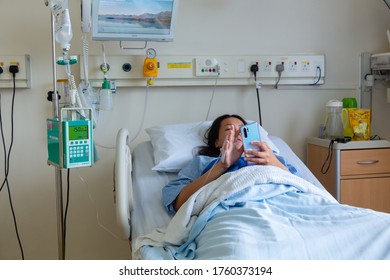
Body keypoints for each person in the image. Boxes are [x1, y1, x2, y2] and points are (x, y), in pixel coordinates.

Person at [162, 114, 299, 216]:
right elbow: (178, 202)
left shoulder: (272, 157)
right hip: (233, 212)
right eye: (229, 129)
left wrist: (273, 163)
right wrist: (222, 166)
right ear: (216, 142)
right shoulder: (202, 162)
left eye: (242, 129)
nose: (238, 132)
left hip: (281, 207)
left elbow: (302, 186)